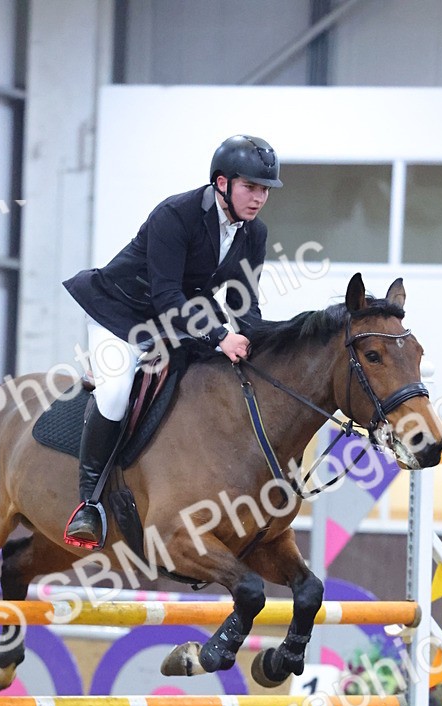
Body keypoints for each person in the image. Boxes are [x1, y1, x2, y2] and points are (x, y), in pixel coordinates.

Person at [61, 133, 282, 547]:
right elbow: (166, 295)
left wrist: (261, 345)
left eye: (265, 190)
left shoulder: (254, 233)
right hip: (121, 316)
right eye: (250, 187)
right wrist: (220, 335)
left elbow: (243, 302)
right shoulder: (175, 215)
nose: (259, 198)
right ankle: (89, 504)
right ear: (222, 183)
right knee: (115, 393)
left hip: (176, 320)